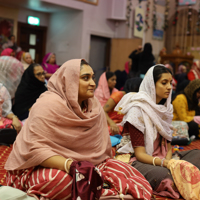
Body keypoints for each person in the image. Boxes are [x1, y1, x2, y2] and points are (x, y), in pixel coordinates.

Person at [5, 59, 152, 200]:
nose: (92, 83)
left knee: (125, 171)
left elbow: (100, 150)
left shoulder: (93, 106)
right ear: (70, 80)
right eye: (85, 78)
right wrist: (70, 165)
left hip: (87, 164)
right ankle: (101, 192)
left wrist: (85, 167)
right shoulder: (47, 104)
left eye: (92, 78)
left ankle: (95, 190)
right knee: (61, 181)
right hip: (40, 166)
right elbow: (35, 149)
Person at [115, 64, 200, 198]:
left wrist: (169, 161)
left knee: (198, 155)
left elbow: (168, 144)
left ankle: (181, 174)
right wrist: (165, 164)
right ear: (151, 84)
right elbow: (140, 153)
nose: (169, 87)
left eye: (171, 83)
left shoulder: (166, 109)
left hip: (163, 156)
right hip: (138, 160)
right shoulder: (137, 110)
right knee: (165, 177)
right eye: (164, 83)